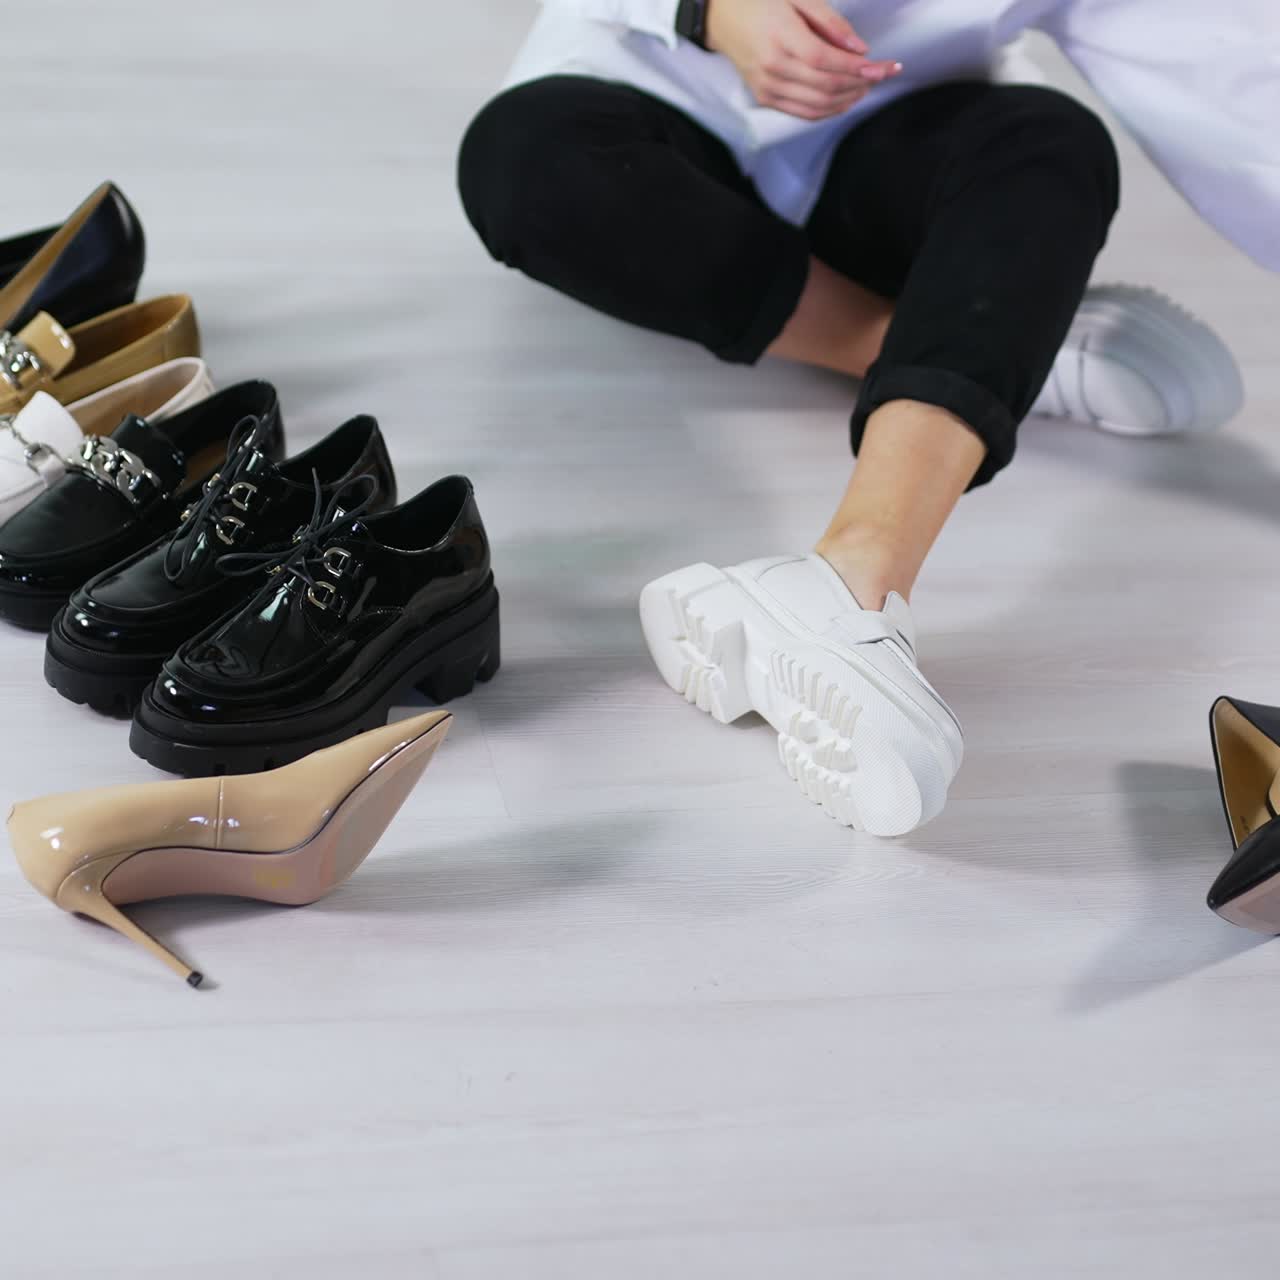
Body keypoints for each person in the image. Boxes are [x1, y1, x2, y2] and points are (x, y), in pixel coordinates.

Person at [458, 0, 1276, 836]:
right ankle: (980, 344)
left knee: (1052, 143)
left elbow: (1235, 89)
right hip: (645, 99)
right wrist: (708, 10)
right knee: (526, 163)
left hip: (887, 145)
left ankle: (849, 583)